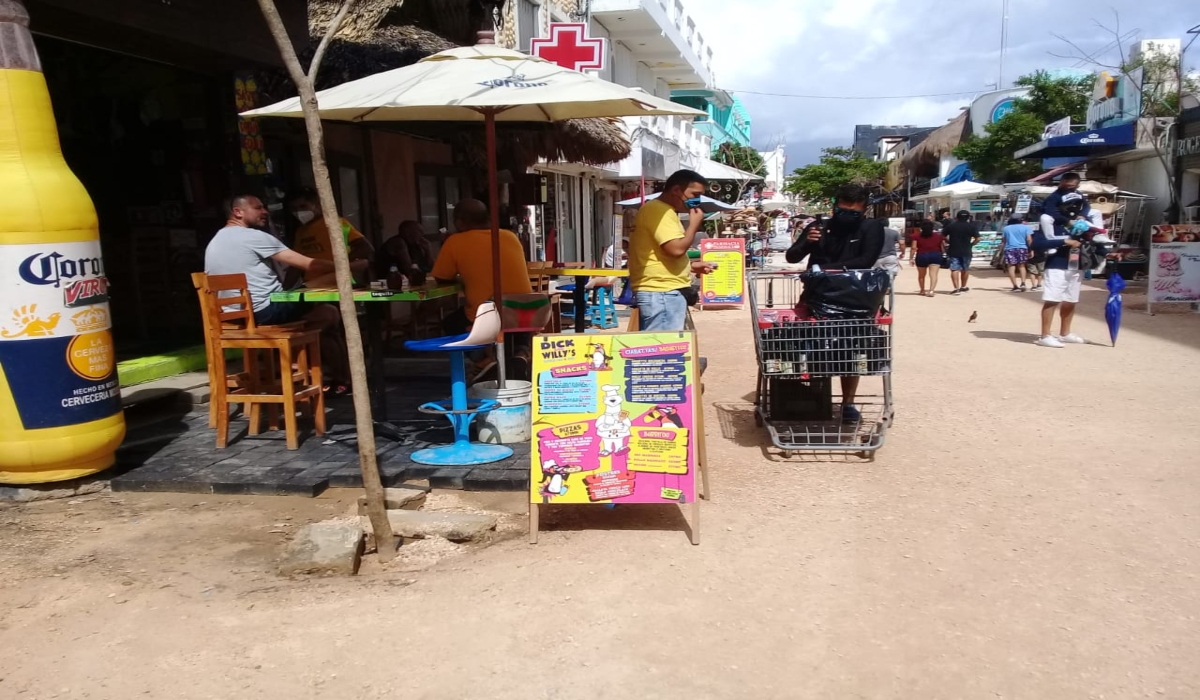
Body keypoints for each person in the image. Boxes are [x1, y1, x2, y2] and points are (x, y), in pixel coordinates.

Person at [204, 194, 353, 392]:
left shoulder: (215, 241)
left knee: (326, 313)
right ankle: (322, 375)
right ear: (238, 212)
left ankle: (313, 372)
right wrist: (346, 266)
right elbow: (308, 265)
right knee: (327, 309)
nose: (265, 212)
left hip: (236, 318)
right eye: (258, 208)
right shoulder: (253, 236)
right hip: (266, 312)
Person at [785, 183, 885, 423]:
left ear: (864, 210)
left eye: (854, 213)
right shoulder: (818, 227)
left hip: (855, 302)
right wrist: (807, 241)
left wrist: (823, 269)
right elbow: (792, 256)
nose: (847, 217)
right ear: (833, 207)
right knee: (812, 349)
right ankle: (813, 397)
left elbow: (866, 260)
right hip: (816, 300)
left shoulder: (871, 228)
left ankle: (848, 402)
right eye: (842, 211)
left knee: (851, 352)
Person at [628, 169, 715, 331]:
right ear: (676, 190)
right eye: (694, 195)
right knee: (663, 349)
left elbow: (660, 254)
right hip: (662, 292)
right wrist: (694, 224)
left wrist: (691, 266)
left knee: (663, 348)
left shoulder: (659, 210)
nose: (697, 200)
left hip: (662, 291)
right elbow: (675, 249)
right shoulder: (660, 211)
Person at [431, 199, 533, 335]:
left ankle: (482, 355)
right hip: (528, 310)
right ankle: (522, 350)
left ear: (460, 223)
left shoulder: (455, 241)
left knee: (450, 323)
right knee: (513, 312)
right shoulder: (510, 236)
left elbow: (441, 278)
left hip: (486, 313)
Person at [1030, 184, 1091, 348]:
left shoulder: (1083, 222)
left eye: (1077, 204)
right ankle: (1045, 335)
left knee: (1071, 300)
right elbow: (1037, 244)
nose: (1075, 207)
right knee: (1052, 299)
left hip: (1076, 264)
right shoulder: (1049, 221)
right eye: (1071, 204)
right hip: (1056, 264)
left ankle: (1065, 333)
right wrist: (1064, 241)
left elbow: (1093, 238)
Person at [287, 187, 374, 285]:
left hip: (338, 283)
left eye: (303, 206)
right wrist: (284, 289)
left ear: (317, 204)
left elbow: (365, 248)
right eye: (294, 209)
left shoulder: (335, 223)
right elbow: (296, 264)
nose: (299, 212)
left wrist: (337, 265)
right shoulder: (301, 232)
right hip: (312, 284)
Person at [942, 210, 980, 295]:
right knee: (965, 269)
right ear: (968, 217)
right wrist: (971, 244)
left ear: (957, 217)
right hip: (966, 250)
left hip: (953, 249)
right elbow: (978, 238)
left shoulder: (952, 226)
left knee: (954, 269)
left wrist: (948, 241)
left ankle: (956, 288)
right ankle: (963, 286)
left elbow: (942, 235)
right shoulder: (971, 226)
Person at [912, 220, 946, 297]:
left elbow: (914, 247)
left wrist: (911, 258)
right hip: (935, 255)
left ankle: (922, 290)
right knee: (933, 274)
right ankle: (931, 290)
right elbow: (942, 246)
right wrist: (943, 254)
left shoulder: (916, 236)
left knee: (921, 275)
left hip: (921, 255)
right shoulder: (938, 236)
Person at [1001, 215, 1033, 292]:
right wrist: (1030, 249)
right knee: (1022, 266)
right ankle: (1023, 283)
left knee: (1011, 266)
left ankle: (1015, 286)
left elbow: (1004, 240)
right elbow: (1029, 239)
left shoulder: (1006, 228)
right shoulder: (1026, 227)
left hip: (1010, 248)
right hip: (1022, 248)